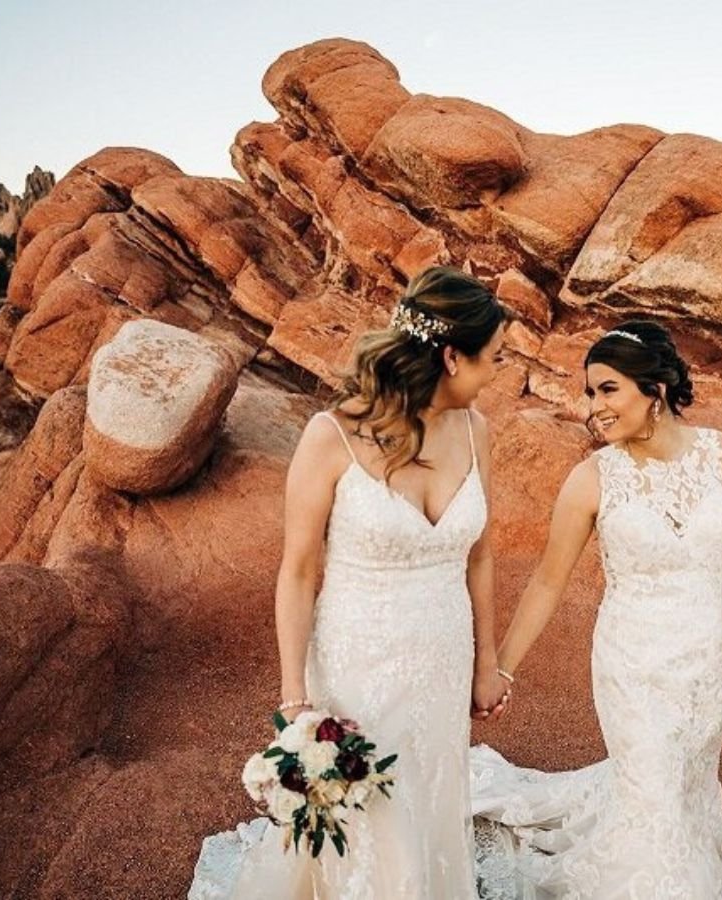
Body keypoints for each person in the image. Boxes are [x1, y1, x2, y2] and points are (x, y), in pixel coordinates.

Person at [191, 266, 511, 899]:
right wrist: (294, 702)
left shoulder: (477, 432)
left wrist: (486, 663)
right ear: (452, 357)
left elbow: (480, 556)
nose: (498, 372)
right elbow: (298, 571)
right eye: (493, 358)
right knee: (367, 820)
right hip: (358, 668)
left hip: (442, 662)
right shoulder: (331, 436)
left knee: (429, 797)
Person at [470, 319, 722, 899]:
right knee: (653, 786)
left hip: (710, 658)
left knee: (683, 782)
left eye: (608, 389)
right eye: (590, 392)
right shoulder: (591, 479)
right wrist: (501, 668)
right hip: (632, 665)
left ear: (655, 387)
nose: (594, 407)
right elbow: (548, 581)